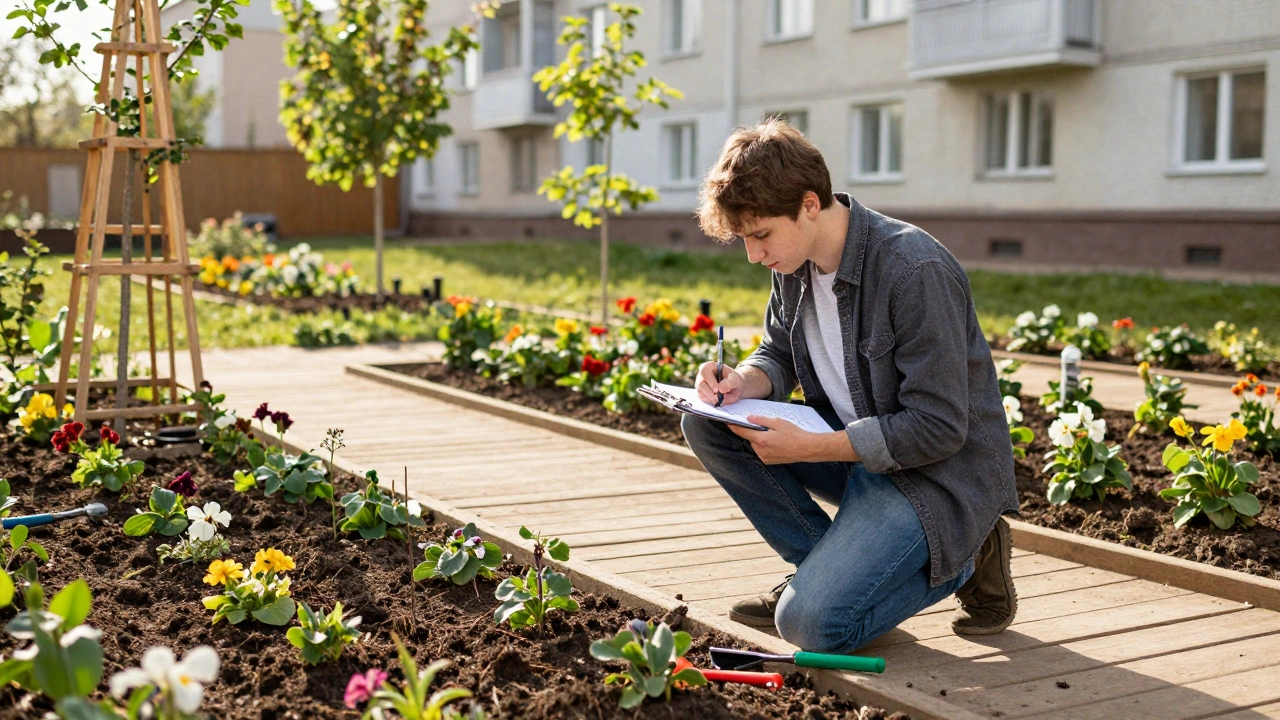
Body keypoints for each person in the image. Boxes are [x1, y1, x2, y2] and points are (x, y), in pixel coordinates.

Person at [683, 118, 1019, 653]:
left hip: (932, 476)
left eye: (761, 234)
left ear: (810, 204)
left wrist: (813, 447)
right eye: (744, 239)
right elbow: (779, 352)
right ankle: (819, 572)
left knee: (812, 627)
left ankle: (965, 555)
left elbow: (938, 428)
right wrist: (742, 380)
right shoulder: (792, 262)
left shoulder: (914, 269)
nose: (753, 254)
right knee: (705, 421)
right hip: (857, 454)